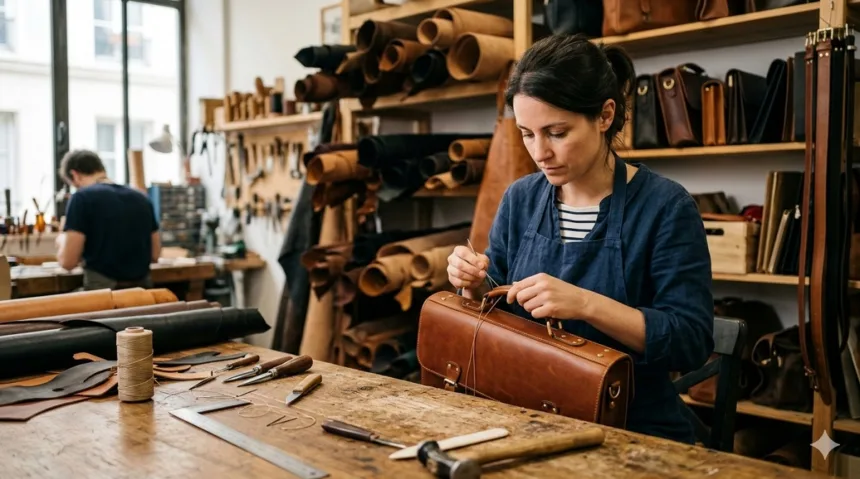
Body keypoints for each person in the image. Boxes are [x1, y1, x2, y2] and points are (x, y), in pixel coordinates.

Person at [446, 35, 714, 445]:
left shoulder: (665, 206)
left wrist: (586, 304)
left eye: (556, 132)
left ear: (605, 115)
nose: (539, 152)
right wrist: (474, 280)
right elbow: (494, 303)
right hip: (526, 414)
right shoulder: (521, 198)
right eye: (527, 133)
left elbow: (690, 340)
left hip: (630, 427)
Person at [56, 149, 161, 290]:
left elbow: (67, 262)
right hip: (141, 294)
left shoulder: (81, 198)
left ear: (75, 176)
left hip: (104, 295)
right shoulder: (142, 198)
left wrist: (62, 238)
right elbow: (155, 255)